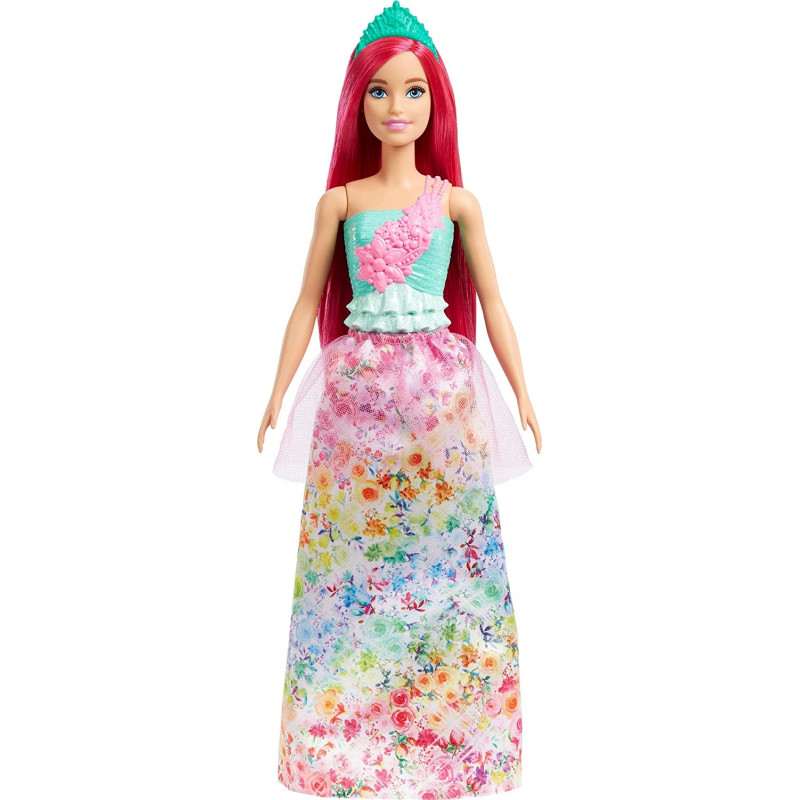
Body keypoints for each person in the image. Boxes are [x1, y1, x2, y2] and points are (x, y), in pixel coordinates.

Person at [257, 2, 542, 795]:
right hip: (357, 404)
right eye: (379, 91)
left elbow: (495, 303)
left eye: (413, 91)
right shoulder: (340, 203)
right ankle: (343, 750)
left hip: (442, 400)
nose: (396, 107)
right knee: (344, 572)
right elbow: (304, 302)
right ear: (358, 102)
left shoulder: (457, 204)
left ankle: (458, 750)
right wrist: (276, 393)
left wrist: (522, 393)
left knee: (453, 571)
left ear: (434, 101)